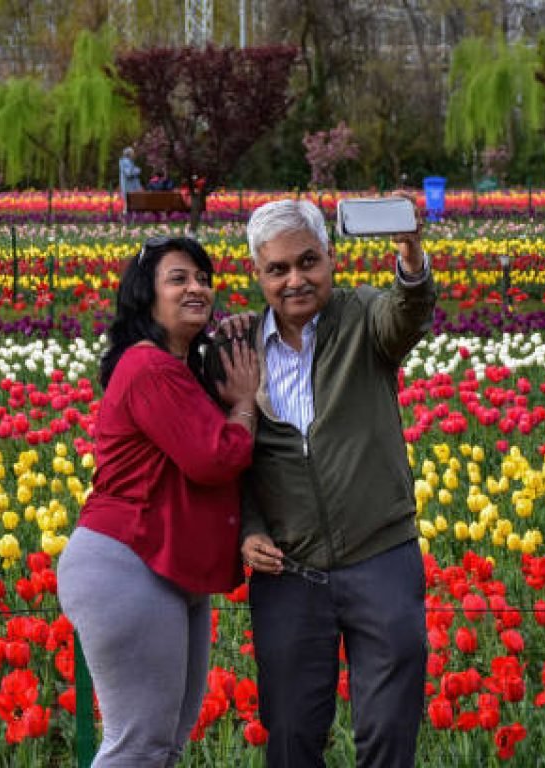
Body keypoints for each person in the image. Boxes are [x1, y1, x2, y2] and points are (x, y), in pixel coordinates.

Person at [225, 197, 435, 767]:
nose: (295, 279)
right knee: (291, 736)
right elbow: (228, 458)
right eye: (277, 269)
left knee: (388, 734)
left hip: (380, 555)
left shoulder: (364, 317)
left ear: (332, 259)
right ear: (257, 272)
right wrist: (248, 529)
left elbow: (407, 315)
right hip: (289, 569)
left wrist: (410, 257)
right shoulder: (235, 349)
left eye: (308, 261)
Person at [58, 235, 260, 767]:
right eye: (179, 279)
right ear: (145, 296)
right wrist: (243, 407)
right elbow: (212, 457)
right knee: (138, 745)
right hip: (127, 561)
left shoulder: (178, 367)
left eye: (203, 278)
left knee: (162, 746)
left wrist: (237, 336)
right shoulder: (148, 368)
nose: (196, 287)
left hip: (164, 565)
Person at [118, 147, 142, 213]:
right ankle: (128, 216)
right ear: (129, 154)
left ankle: (129, 215)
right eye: (132, 153)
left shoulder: (128, 162)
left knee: (129, 202)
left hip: (129, 186)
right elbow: (129, 173)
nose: (134, 154)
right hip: (129, 186)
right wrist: (137, 171)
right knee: (128, 202)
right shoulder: (126, 162)